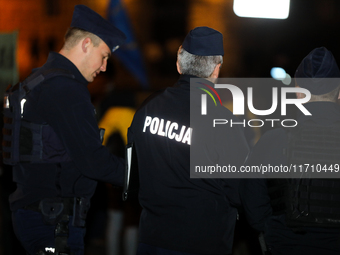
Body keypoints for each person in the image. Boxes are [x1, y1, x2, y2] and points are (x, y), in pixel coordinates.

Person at [2, 5, 127, 255]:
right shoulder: (66, 89)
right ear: (86, 44)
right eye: (104, 56)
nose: (104, 67)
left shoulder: (40, 79)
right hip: (52, 220)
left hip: (37, 213)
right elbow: (92, 160)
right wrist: (143, 176)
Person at [127, 26, 249, 255]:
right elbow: (241, 189)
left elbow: (133, 174)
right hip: (202, 242)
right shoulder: (224, 123)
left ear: (179, 63)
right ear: (216, 69)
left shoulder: (147, 108)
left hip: (152, 238)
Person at [240, 47, 340, 255]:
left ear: (297, 92)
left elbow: (253, 207)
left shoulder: (272, 141)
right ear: (339, 92)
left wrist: (275, 232)